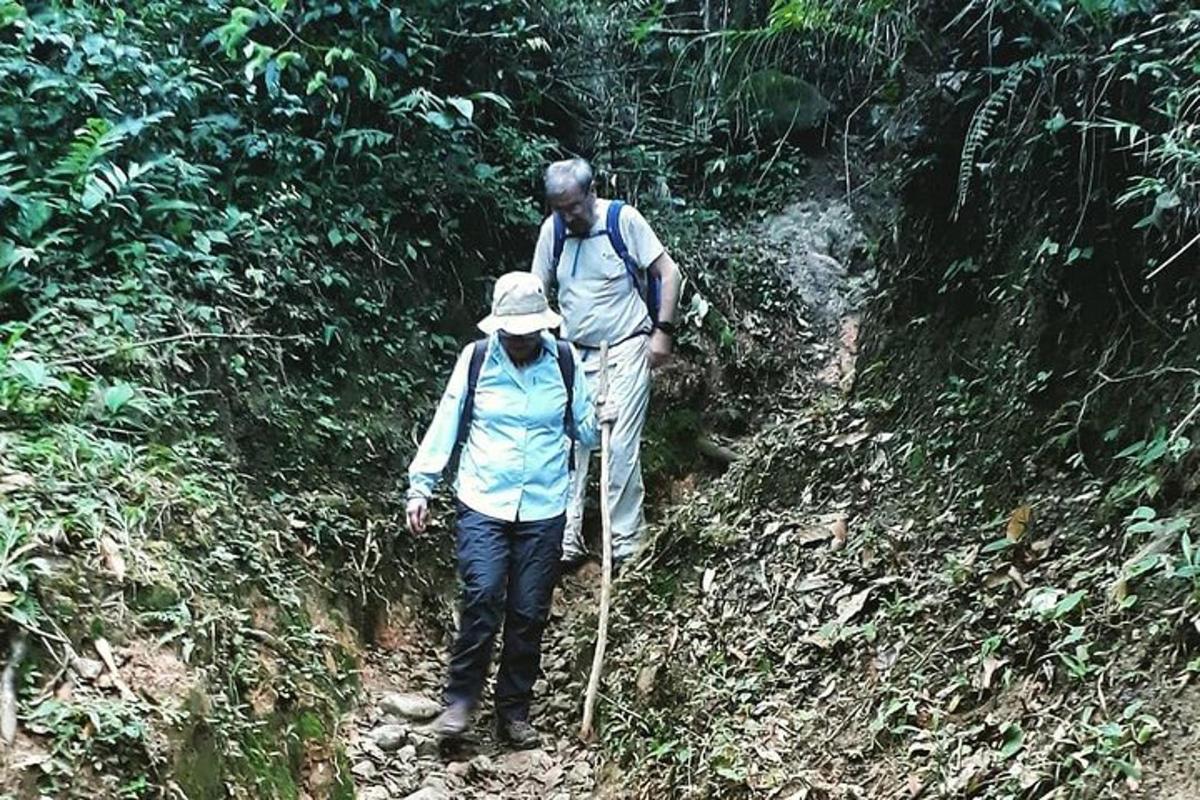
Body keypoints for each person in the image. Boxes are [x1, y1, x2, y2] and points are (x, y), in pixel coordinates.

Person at [405, 271, 612, 748]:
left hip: (543, 506)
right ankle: (459, 702)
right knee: (481, 594)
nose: (519, 341)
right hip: (483, 499)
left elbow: (582, 433)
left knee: (529, 610)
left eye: (528, 332)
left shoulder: (562, 361)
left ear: (543, 327)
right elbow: (447, 420)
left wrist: (601, 416)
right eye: (511, 333)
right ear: (497, 327)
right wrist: (422, 486)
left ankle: (513, 712)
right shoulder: (477, 359)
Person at [531, 157, 682, 571]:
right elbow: (536, 289)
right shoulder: (554, 231)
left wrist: (663, 333)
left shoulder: (622, 220)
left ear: (591, 192)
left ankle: (627, 545)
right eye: (559, 208)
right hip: (573, 354)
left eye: (573, 206)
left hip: (626, 347)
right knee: (568, 445)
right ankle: (566, 539)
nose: (567, 216)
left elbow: (668, 273)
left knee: (617, 446)